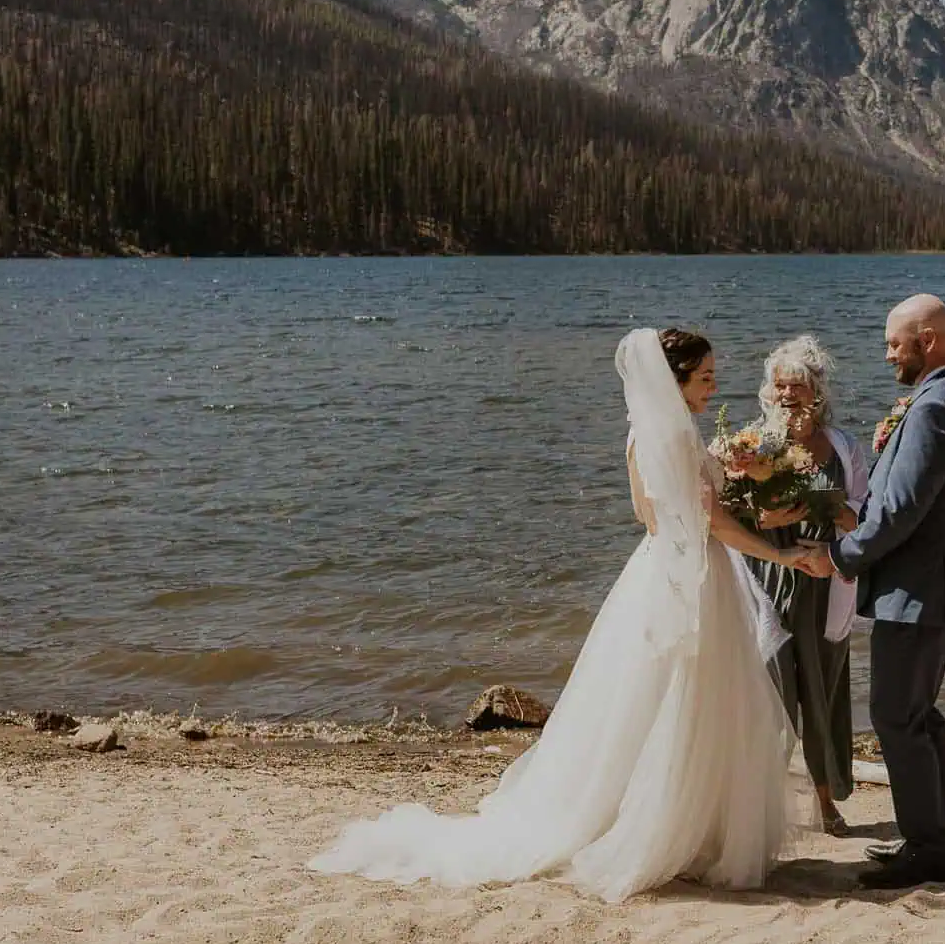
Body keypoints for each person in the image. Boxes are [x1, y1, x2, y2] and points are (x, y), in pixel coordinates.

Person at [310, 328, 806, 903]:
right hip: (690, 575)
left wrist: (738, 495)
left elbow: (651, 515)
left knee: (651, 703)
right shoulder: (674, 432)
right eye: (705, 378)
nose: (714, 387)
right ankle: (683, 833)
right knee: (688, 701)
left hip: (657, 569)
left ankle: (673, 824)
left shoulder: (645, 432)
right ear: (674, 381)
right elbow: (711, 523)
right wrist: (781, 552)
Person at [796, 295, 945, 890]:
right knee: (915, 717)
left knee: (896, 717)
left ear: (927, 340)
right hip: (922, 588)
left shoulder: (936, 406)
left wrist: (838, 557)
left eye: (894, 344)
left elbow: (900, 511)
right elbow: (894, 500)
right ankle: (933, 841)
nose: (887, 355)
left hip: (920, 589)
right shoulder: (940, 398)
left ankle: (929, 851)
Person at [743, 336, 870, 837]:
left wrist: (822, 500)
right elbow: (730, 514)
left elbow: (862, 517)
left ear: (818, 390)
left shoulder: (844, 447)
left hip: (824, 579)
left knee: (821, 694)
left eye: (797, 385)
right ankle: (759, 804)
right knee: (769, 693)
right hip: (768, 578)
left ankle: (825, 803)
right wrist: (766, 513)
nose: (787, 395)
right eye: (779, 386)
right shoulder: (751, 444)